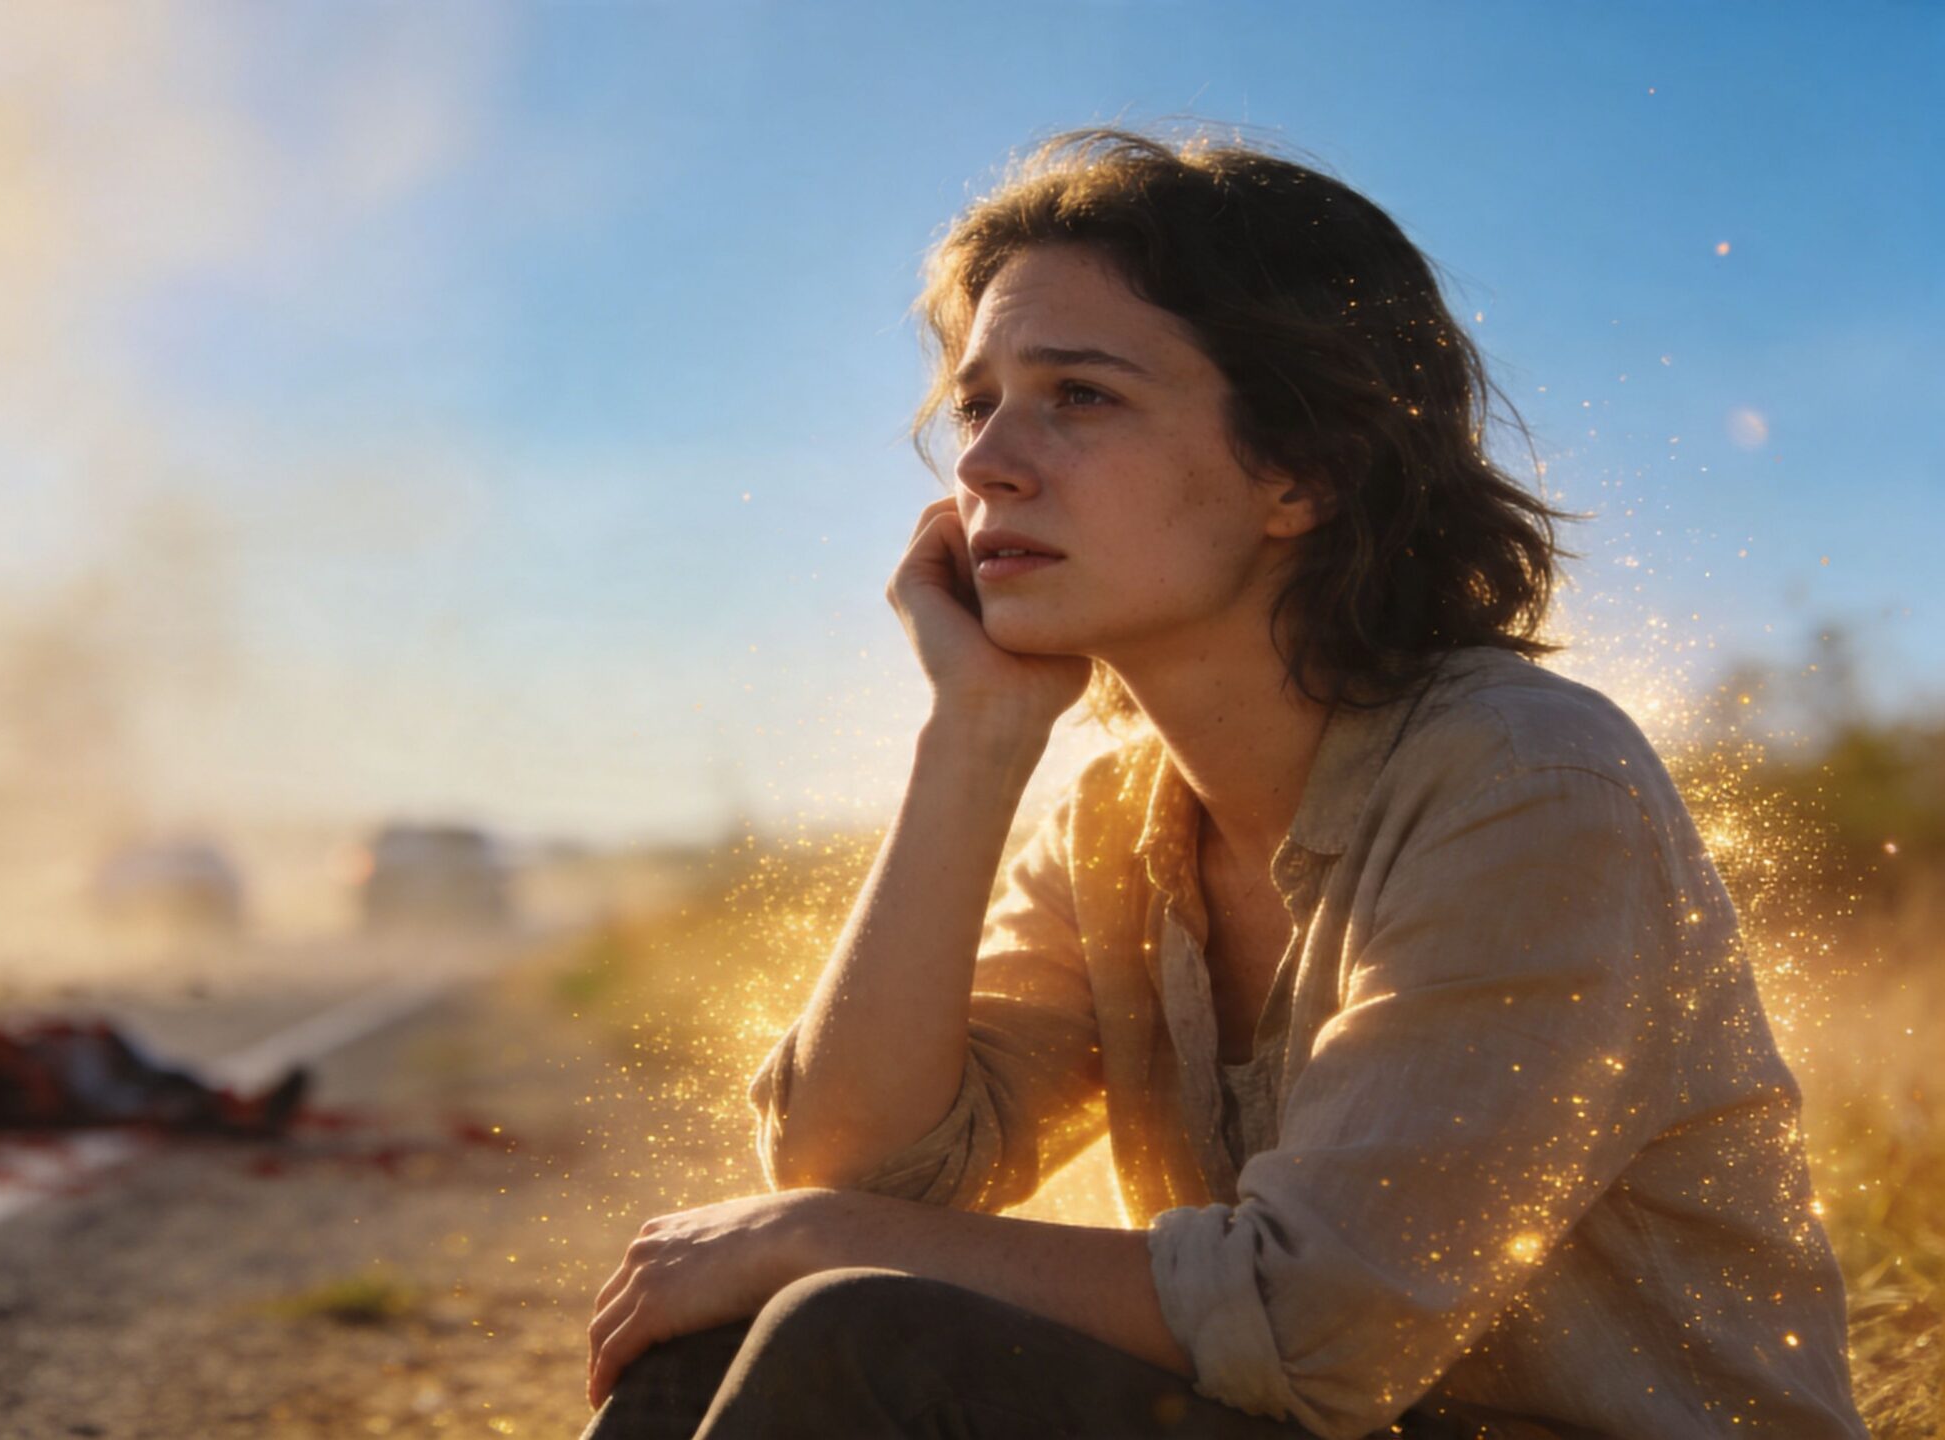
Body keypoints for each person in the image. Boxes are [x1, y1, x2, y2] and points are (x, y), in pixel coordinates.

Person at [580, 127, 1870, 1440]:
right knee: (720, 1334)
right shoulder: (1115, 824)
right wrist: (973, 736)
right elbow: (861, 1168)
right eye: (978, 404)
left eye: (1078, 395)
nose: (982, 466)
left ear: (1300, 470)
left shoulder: (1526, 786)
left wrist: (811, 1238)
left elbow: (1319, 1323)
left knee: (847, 1326)